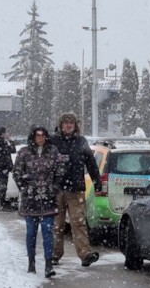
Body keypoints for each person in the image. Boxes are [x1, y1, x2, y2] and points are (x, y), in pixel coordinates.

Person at [50, 112, 101, 267]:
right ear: (61, 124)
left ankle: (85, 254)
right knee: (57, 225)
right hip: (56, 189)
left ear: (76, 125)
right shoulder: (53, 141)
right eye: (65, 122)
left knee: (78, 223)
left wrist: (97, 182)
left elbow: (91, 163)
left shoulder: (81, 142)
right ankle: (54, 254)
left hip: (76, 190)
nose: (68, 125)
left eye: (71, 122)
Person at [13, 126, 62, 278]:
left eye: (43, 135)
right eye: (37, 135)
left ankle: (48, 264)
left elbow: (60, 170)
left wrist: (54, 187)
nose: (40, 138)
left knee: (48, 231)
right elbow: (17, 173)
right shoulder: (24, 153)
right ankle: (31, 263)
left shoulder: (53, 151)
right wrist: (25, 187)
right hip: (30, 200)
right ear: (33, 137)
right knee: (31, 233)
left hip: (48, 199)